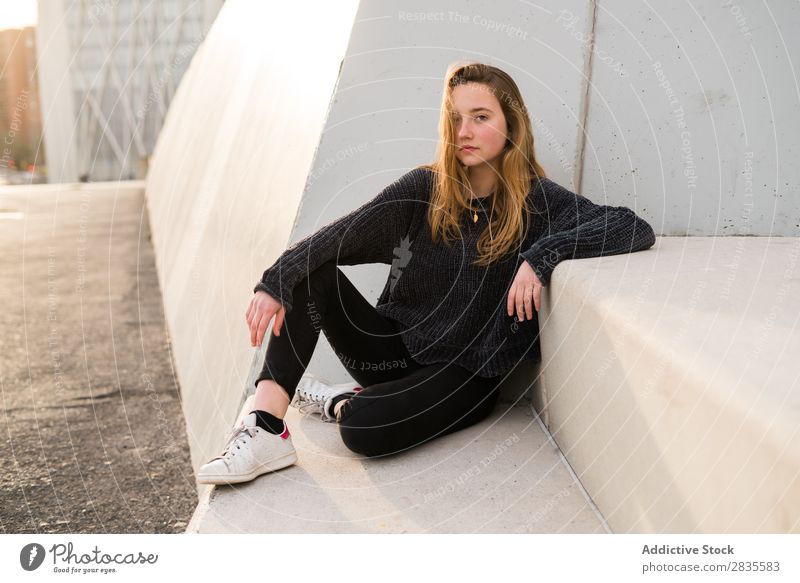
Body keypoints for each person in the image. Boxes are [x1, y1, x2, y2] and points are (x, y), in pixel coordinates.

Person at [197, 62, 656, 485]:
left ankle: (339, 401)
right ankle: (265, 430)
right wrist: (275, 280)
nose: (465, 131)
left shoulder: (540, 202)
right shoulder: (424, 190)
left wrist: (541, 257)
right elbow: (338, 237)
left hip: (468, 371)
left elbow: (630, 226)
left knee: (362, 428)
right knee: (309, 275)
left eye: (480, 116)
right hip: (391, 351)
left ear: (511, 123)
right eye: (455, 118)